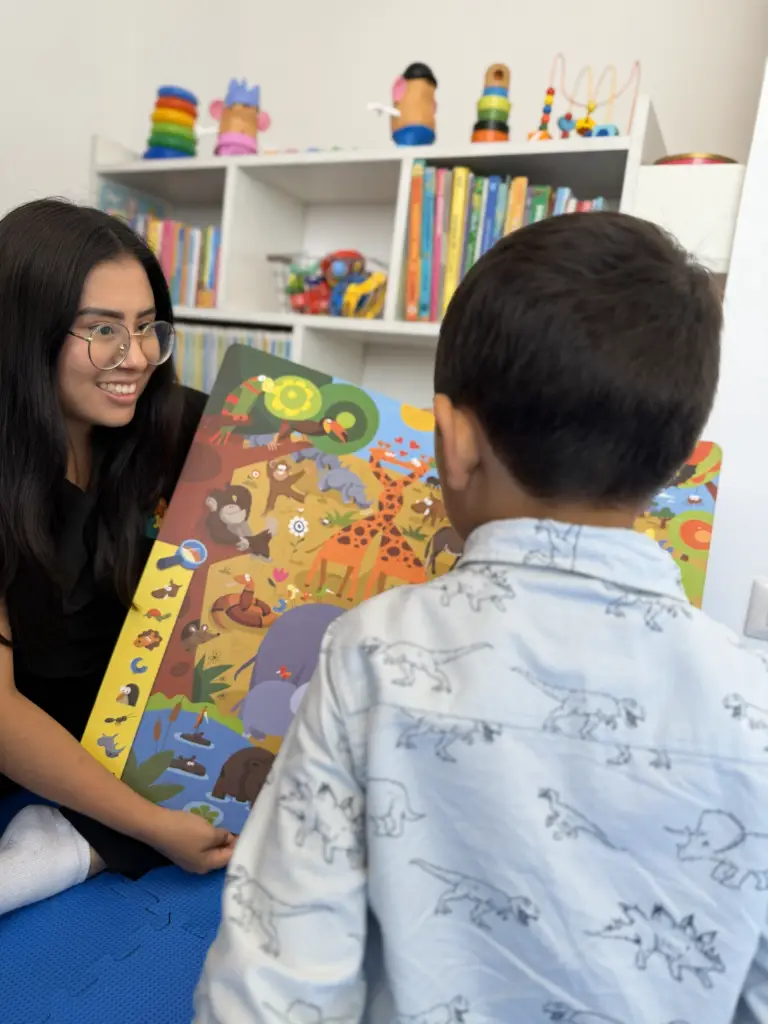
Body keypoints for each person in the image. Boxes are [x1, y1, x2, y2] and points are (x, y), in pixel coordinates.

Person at [195, 212, 768, 1023]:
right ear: (676, 460)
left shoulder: (372, 651)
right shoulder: (754, 698)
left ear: (454, 440)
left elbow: (275, 979)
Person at [0, 198, 234, 917]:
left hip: (151, 720)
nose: (134, 358)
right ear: (25, 332)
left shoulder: (174, 422)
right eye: (102, 330)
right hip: (42, 747)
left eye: (146, 329)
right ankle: (73, 840)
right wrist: (151, 827)